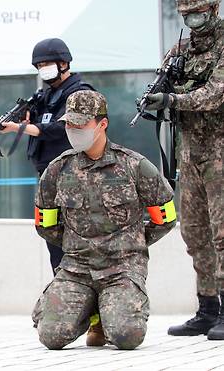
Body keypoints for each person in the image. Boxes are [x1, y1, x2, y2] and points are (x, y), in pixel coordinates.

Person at [32, 91, 176, 350]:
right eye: (69, 124)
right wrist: (76, 244)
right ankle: (91, 310)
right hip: (77, 268)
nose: (73, 130)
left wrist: (132, 243)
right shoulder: (57, 170)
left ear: (102, 124)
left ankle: (112, 310)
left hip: (122, 267)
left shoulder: (135, 166)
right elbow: (45, 224)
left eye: (81, 124)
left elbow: (166, 218)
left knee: (126, 336)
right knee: (51, 336)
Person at [0, 38, 103, 345]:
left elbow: (65, 129)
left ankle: (99, 320)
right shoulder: (44, 95)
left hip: (76, 179)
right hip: (48, 179)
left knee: (83, 248)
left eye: (47, 64)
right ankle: (68, 310)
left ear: (65, 63)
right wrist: (21, 118)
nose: (43, 69)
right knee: (53, 242)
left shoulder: (81, 93)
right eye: (40, 66)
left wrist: (21, 129)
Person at [145, 0, 224, 341]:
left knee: (223, 235)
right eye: (186, 14)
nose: (192, 19)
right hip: (190, 154)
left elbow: (216, 94)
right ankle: (207, 310)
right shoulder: (180, 48)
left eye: (198, 12)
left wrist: (173, 100)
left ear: (213, 10)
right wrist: (156, 94)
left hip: (220, 154)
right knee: (194, 234)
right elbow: (162, 82)